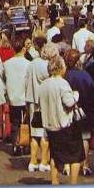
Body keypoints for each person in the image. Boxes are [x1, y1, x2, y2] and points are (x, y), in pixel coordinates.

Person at [39, 55, 84, 185]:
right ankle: (73, 183)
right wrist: (76, 95)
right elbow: (69, 102)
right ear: (61, 68)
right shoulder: (62, 83)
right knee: (75, 156)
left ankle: (54, 181)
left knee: (55, 155)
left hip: (50, 125)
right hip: (65, 125)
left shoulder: (44, 84)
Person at [63, 49, 94, 176]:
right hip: (83, 110)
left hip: (67, 111)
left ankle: (67, 165)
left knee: (67, 138)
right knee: (84, 137)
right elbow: (93, 93)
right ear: (78, 61)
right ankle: (85, 165)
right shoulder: (85, 75)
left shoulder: (64, 75)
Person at [24, 41, 57, 172]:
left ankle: (32, 161)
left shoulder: (32, 64)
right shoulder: (48, 66)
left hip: (32, 100)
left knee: (34, 132)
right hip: (45, 103)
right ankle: (44, 161)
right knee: (45, 133)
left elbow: (26, 81)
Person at [4, 35, 31, 156]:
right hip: (25, 96)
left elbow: (4, 78)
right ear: (23, 49)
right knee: (26, 122)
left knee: (14, 122)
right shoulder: (28, 64)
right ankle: (25, 143)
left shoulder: (6, 64)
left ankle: (15, 144)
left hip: (12, 96)